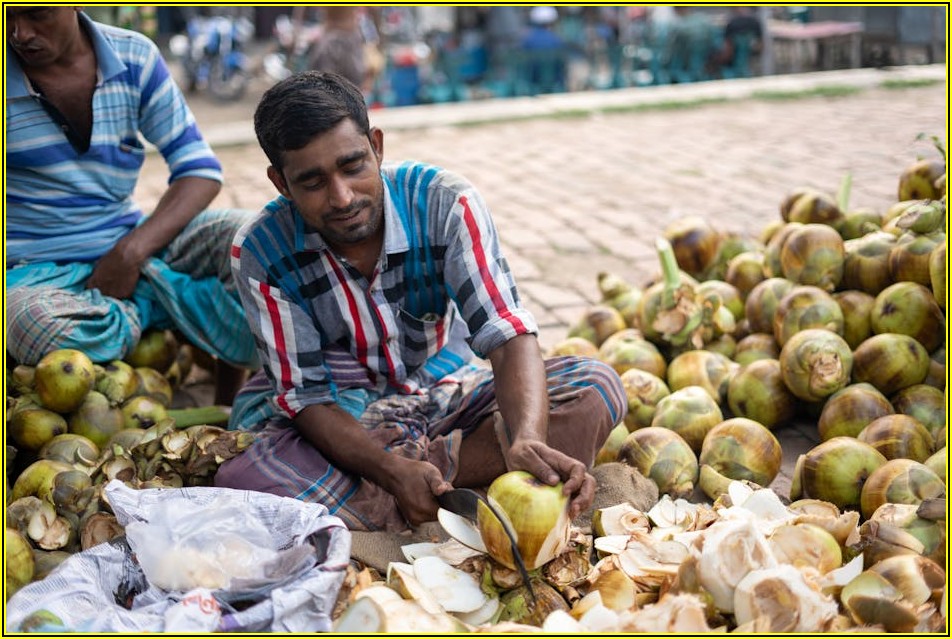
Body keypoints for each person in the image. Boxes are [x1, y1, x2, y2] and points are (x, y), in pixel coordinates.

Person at [215, 71, 627, 532]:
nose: (342, 197)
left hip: (443, 391)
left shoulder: (444, 203)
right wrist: (389, 469)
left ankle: (404, 490)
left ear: (377, 145)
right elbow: (308, 399)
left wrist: (527, 438)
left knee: (596, 387)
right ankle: (437, 482)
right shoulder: (260, 251)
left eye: (353, 166)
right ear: (281, 183)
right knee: (243, 478)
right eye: (312, 183)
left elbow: (507, 334)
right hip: (346, 421)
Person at [5, 6, 257, 403]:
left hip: (132, 246)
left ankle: (226, 392)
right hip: (35, 272)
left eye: (38, 14)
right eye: (8, 17)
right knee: (28, 323)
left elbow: (200, 171)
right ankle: (166, 310)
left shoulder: (134, 56)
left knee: (249, 239)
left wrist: (131, 252)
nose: (19, 33)